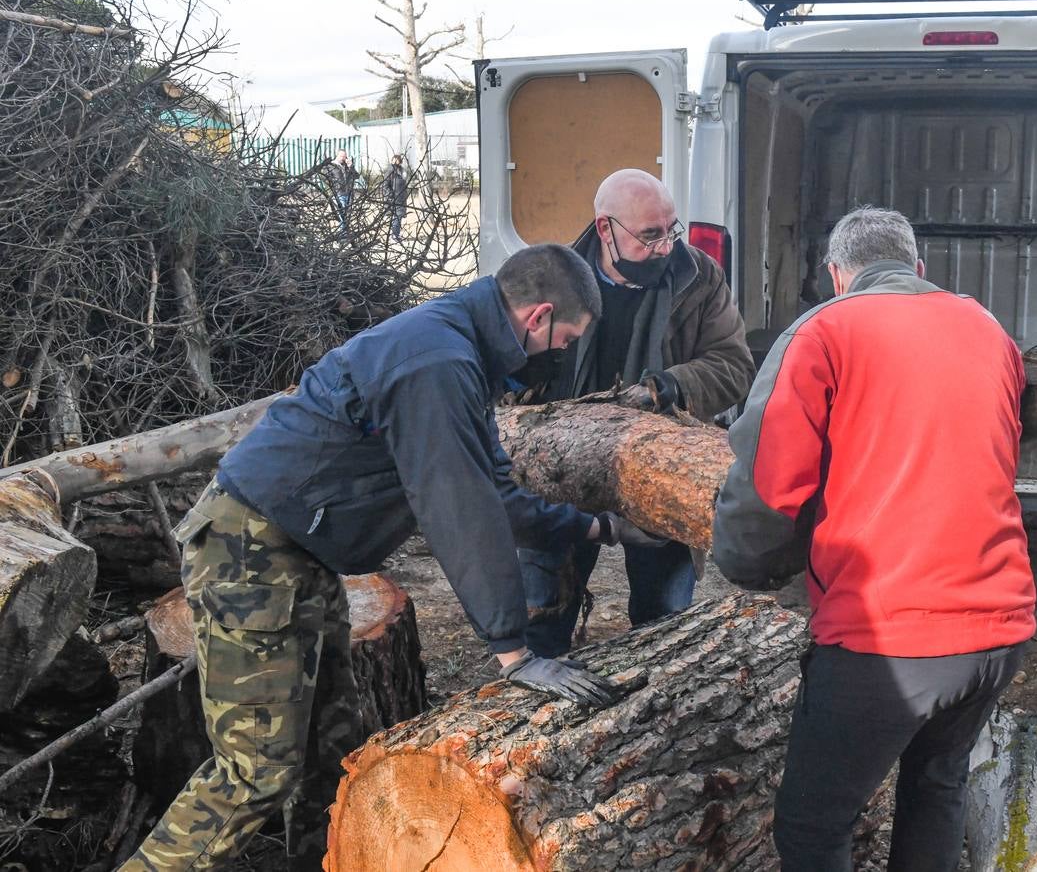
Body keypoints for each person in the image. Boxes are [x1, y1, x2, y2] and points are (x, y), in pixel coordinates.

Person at [120, 244, 658, 872]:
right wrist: (513, 651)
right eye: (564, 341)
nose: (560, 355)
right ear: (538, 317)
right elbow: (457, 507)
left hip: (295, 551)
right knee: (256, 770)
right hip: (250, 548)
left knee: (333, 744)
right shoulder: (439, 360)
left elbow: (493, 492)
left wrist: (603, 530)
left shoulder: (460, 349)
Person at [711, 207, 1037, 871]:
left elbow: (770, 486)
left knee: (811, 827)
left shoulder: (826, 329)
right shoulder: (988, 328)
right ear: (917, 270)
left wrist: (749, 565)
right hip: (1000, 629)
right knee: (935, 788)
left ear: (838, 276)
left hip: (888, 640)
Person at [513, 168, 753, 657]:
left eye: (671, 230)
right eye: (649, 235)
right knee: (541, 614)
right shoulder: (552, 276)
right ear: (605, 229)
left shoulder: (700, 277)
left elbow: (734, 365)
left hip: (660, 470)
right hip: (560, 468)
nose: (666, 246)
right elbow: (512, 356)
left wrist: (673, 386)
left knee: (663, 621)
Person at [327, 149, 357, 234]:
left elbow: (356, 176)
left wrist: (351, 166)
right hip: (338, 193)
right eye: (341, 156)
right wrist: (334, 184)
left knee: (347, 214)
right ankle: (343, 234)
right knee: (341, 214)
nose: (343, 158)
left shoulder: (347, 166)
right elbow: (325, 177)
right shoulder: (331, 165)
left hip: (348, 193)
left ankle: (344, 232)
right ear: (337, 155)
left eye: (345, 156)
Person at [382, 154, 409, 242]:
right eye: (395, 160)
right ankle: (394, 235)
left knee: (399, 217)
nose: (397, 162)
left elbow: (404, 183)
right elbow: (385, 185)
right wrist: (390, 195)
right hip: (393, 197)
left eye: (398, 160)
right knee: (396, 217)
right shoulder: (390, 171)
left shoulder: (402, 171)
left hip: (401, 197)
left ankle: (395, 234)